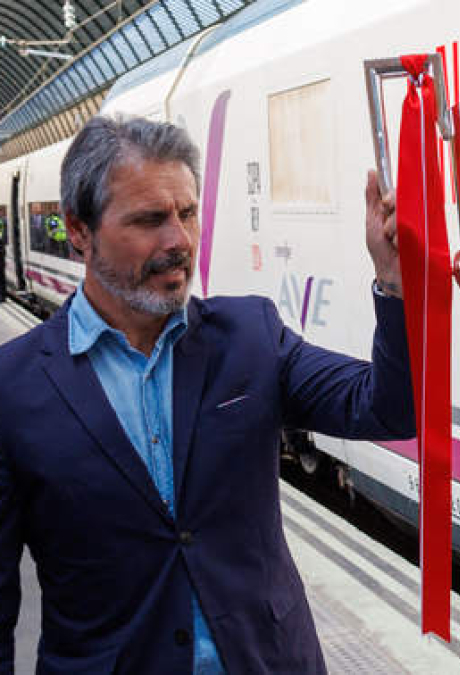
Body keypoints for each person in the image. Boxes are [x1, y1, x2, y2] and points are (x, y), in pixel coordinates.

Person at [0, 116, 414, 674]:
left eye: (188, 213)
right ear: (79, 230)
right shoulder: (14, 387)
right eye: (150, 220)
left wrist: (394, 284)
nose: (179, 241)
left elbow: (388, 409)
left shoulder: (250, 336)